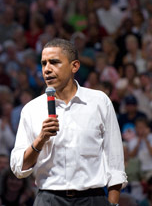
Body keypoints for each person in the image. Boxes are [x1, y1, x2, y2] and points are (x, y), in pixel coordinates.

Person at [10, 38, 127, 206]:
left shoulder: (99, 102)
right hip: (49, 199)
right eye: (43, 64)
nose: (47, 69)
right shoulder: (31, 109)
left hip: (93, 198)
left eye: (54, 62)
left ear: (75, 66)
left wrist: (113, 203)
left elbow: (114, 161)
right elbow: (18, 169)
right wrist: (40, 139)